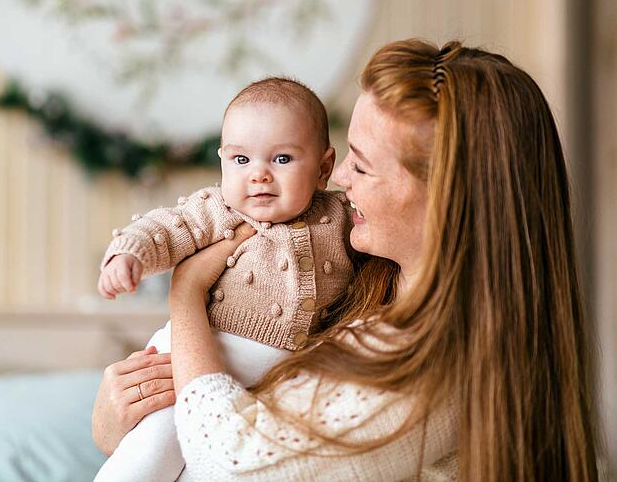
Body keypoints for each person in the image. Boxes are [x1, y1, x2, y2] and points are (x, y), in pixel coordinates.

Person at [92, 39, 600, 480]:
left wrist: (186, 298)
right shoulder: (370, 283)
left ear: (448, 196)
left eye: (362, 164)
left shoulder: (429, 361)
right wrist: (120, 424)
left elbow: (232, 463)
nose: (340, 181)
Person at [94, 77, 359, 482]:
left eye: (282, 159)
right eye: (241, 160)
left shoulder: (342, 217)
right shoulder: (219, 210)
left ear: (324, 168)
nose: (259, 176)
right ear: (222, 162)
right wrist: (129, 253)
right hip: (190, 359)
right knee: (151, 455)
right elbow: (165, 228)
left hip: (268, 385)